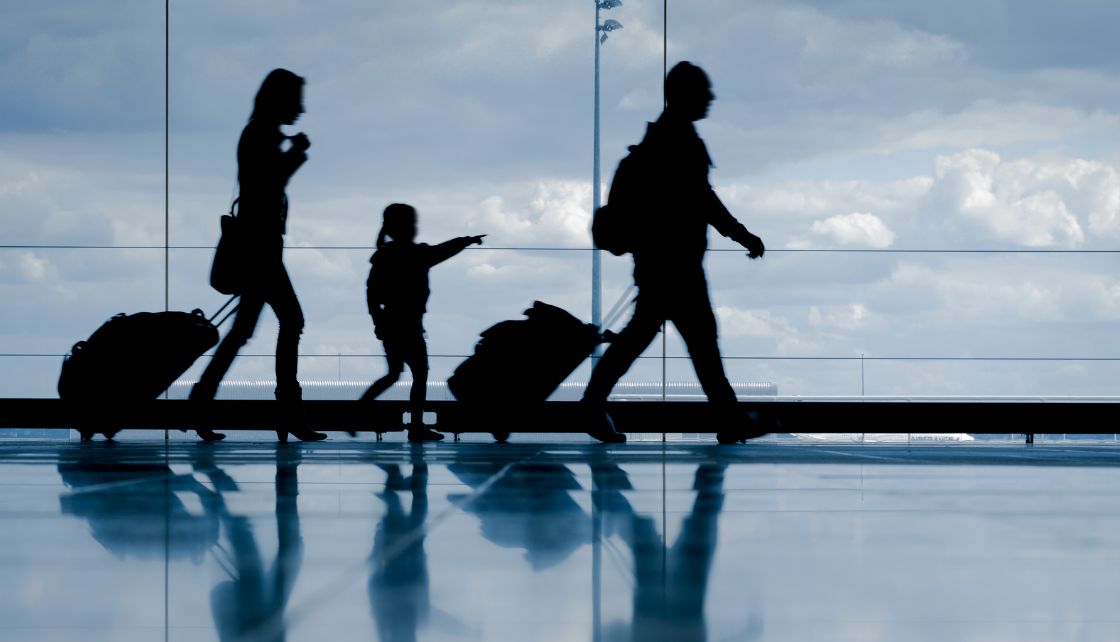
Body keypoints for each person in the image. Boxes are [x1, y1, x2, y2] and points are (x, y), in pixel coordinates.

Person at [583, 61, 767, 444]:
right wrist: (742, 235)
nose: (710, 98)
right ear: (686, 95)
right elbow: (704, 201)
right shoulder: (681, 143)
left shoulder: (660, 142)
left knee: (646, 339)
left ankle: (592, 405)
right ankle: (730, 418)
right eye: (704, 91)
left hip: (657, 262)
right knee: (699, 342)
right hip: (678, 265)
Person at [190, 68, 325, 443]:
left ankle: (201, 402)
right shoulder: (262, 135)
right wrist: (296, 154)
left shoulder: (258, 133)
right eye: (296, 100)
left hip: (257, 246)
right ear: (280, 100)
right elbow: (269, 184)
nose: (300, 109)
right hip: (261, 248)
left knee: (242, 332)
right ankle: (288, 414)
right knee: (290, 321)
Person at [360, 204, 484, 442]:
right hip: (409, 325)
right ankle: (415, 426)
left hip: (391, 324)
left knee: (395, 373)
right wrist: (466, 241)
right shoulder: (416, 254)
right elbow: (443, 251)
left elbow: (372, 295)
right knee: (419, 373)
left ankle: (361, 408)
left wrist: (378, 323)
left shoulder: (385, 256)